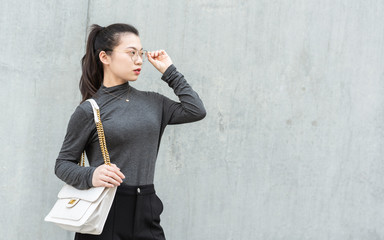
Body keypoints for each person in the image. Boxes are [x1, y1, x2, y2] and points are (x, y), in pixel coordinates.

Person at [54, 23, 206, 240]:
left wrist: (169, 71)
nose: (139, 60)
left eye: (141, 53)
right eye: (131, 53)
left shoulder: (154, 102)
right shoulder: (90, 109)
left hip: (147, 207)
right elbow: (62, 164)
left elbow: (196, 110)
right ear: (105, 57)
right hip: (105, 211)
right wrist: (92, 174)